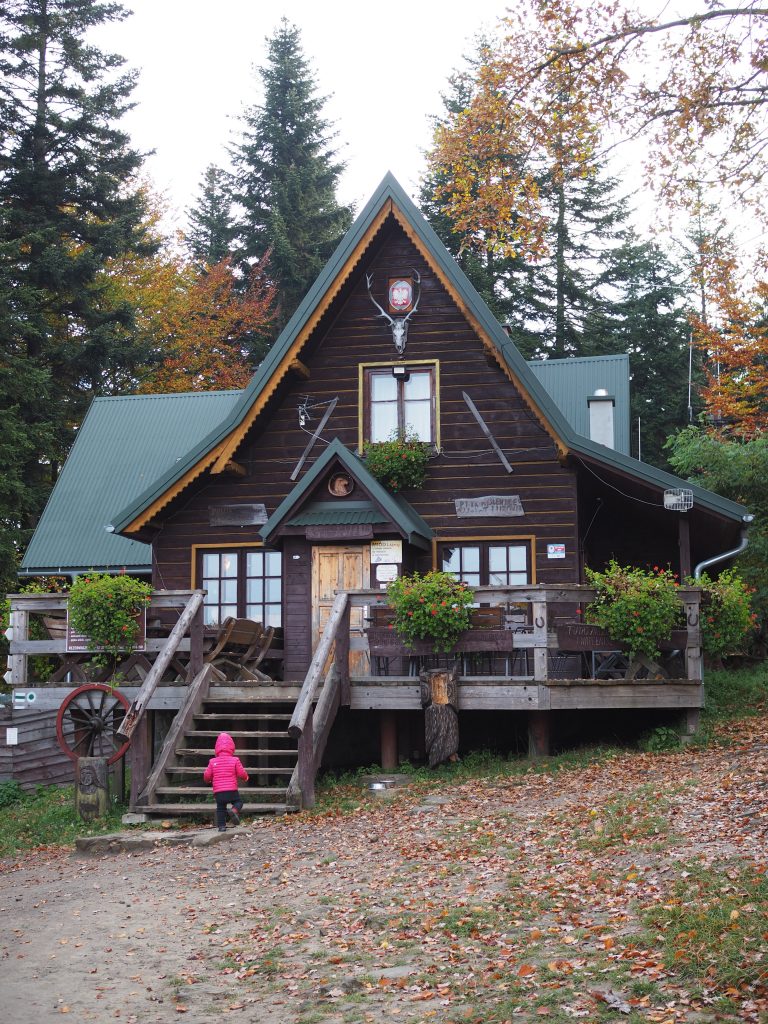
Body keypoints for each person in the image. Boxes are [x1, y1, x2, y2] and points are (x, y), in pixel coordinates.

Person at [203, 732, 248, 832]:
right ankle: (234, 810)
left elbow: (207, 775)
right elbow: (241, 773)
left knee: (220, 808)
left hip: (219, 791)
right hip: (231, 790)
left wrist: (207, 780)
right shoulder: (235, 760)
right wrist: (245, 778)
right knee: (238, 802)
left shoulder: (212, 761)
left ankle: (222, 827)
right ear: (232, 747)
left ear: (217, 748)